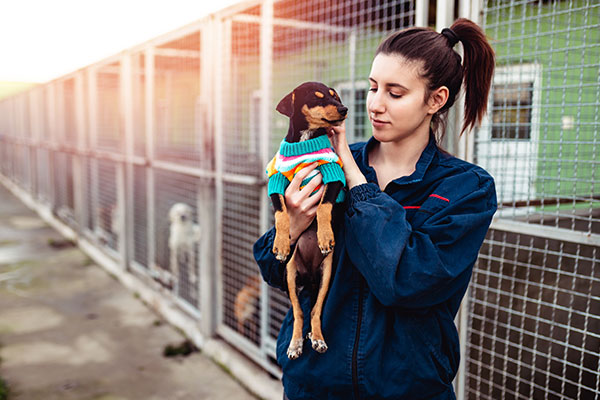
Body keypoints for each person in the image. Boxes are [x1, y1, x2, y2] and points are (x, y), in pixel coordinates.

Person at [254, 18, 497, 400]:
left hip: (408, 389)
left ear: (436, 99)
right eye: (372, 87)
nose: (375, 105)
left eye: (395, 93)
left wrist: (355, 179)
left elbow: (408, 281)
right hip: (315, 384)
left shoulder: (465, 188)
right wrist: (296, 223)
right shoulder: (319, 164)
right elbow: (273, 268)